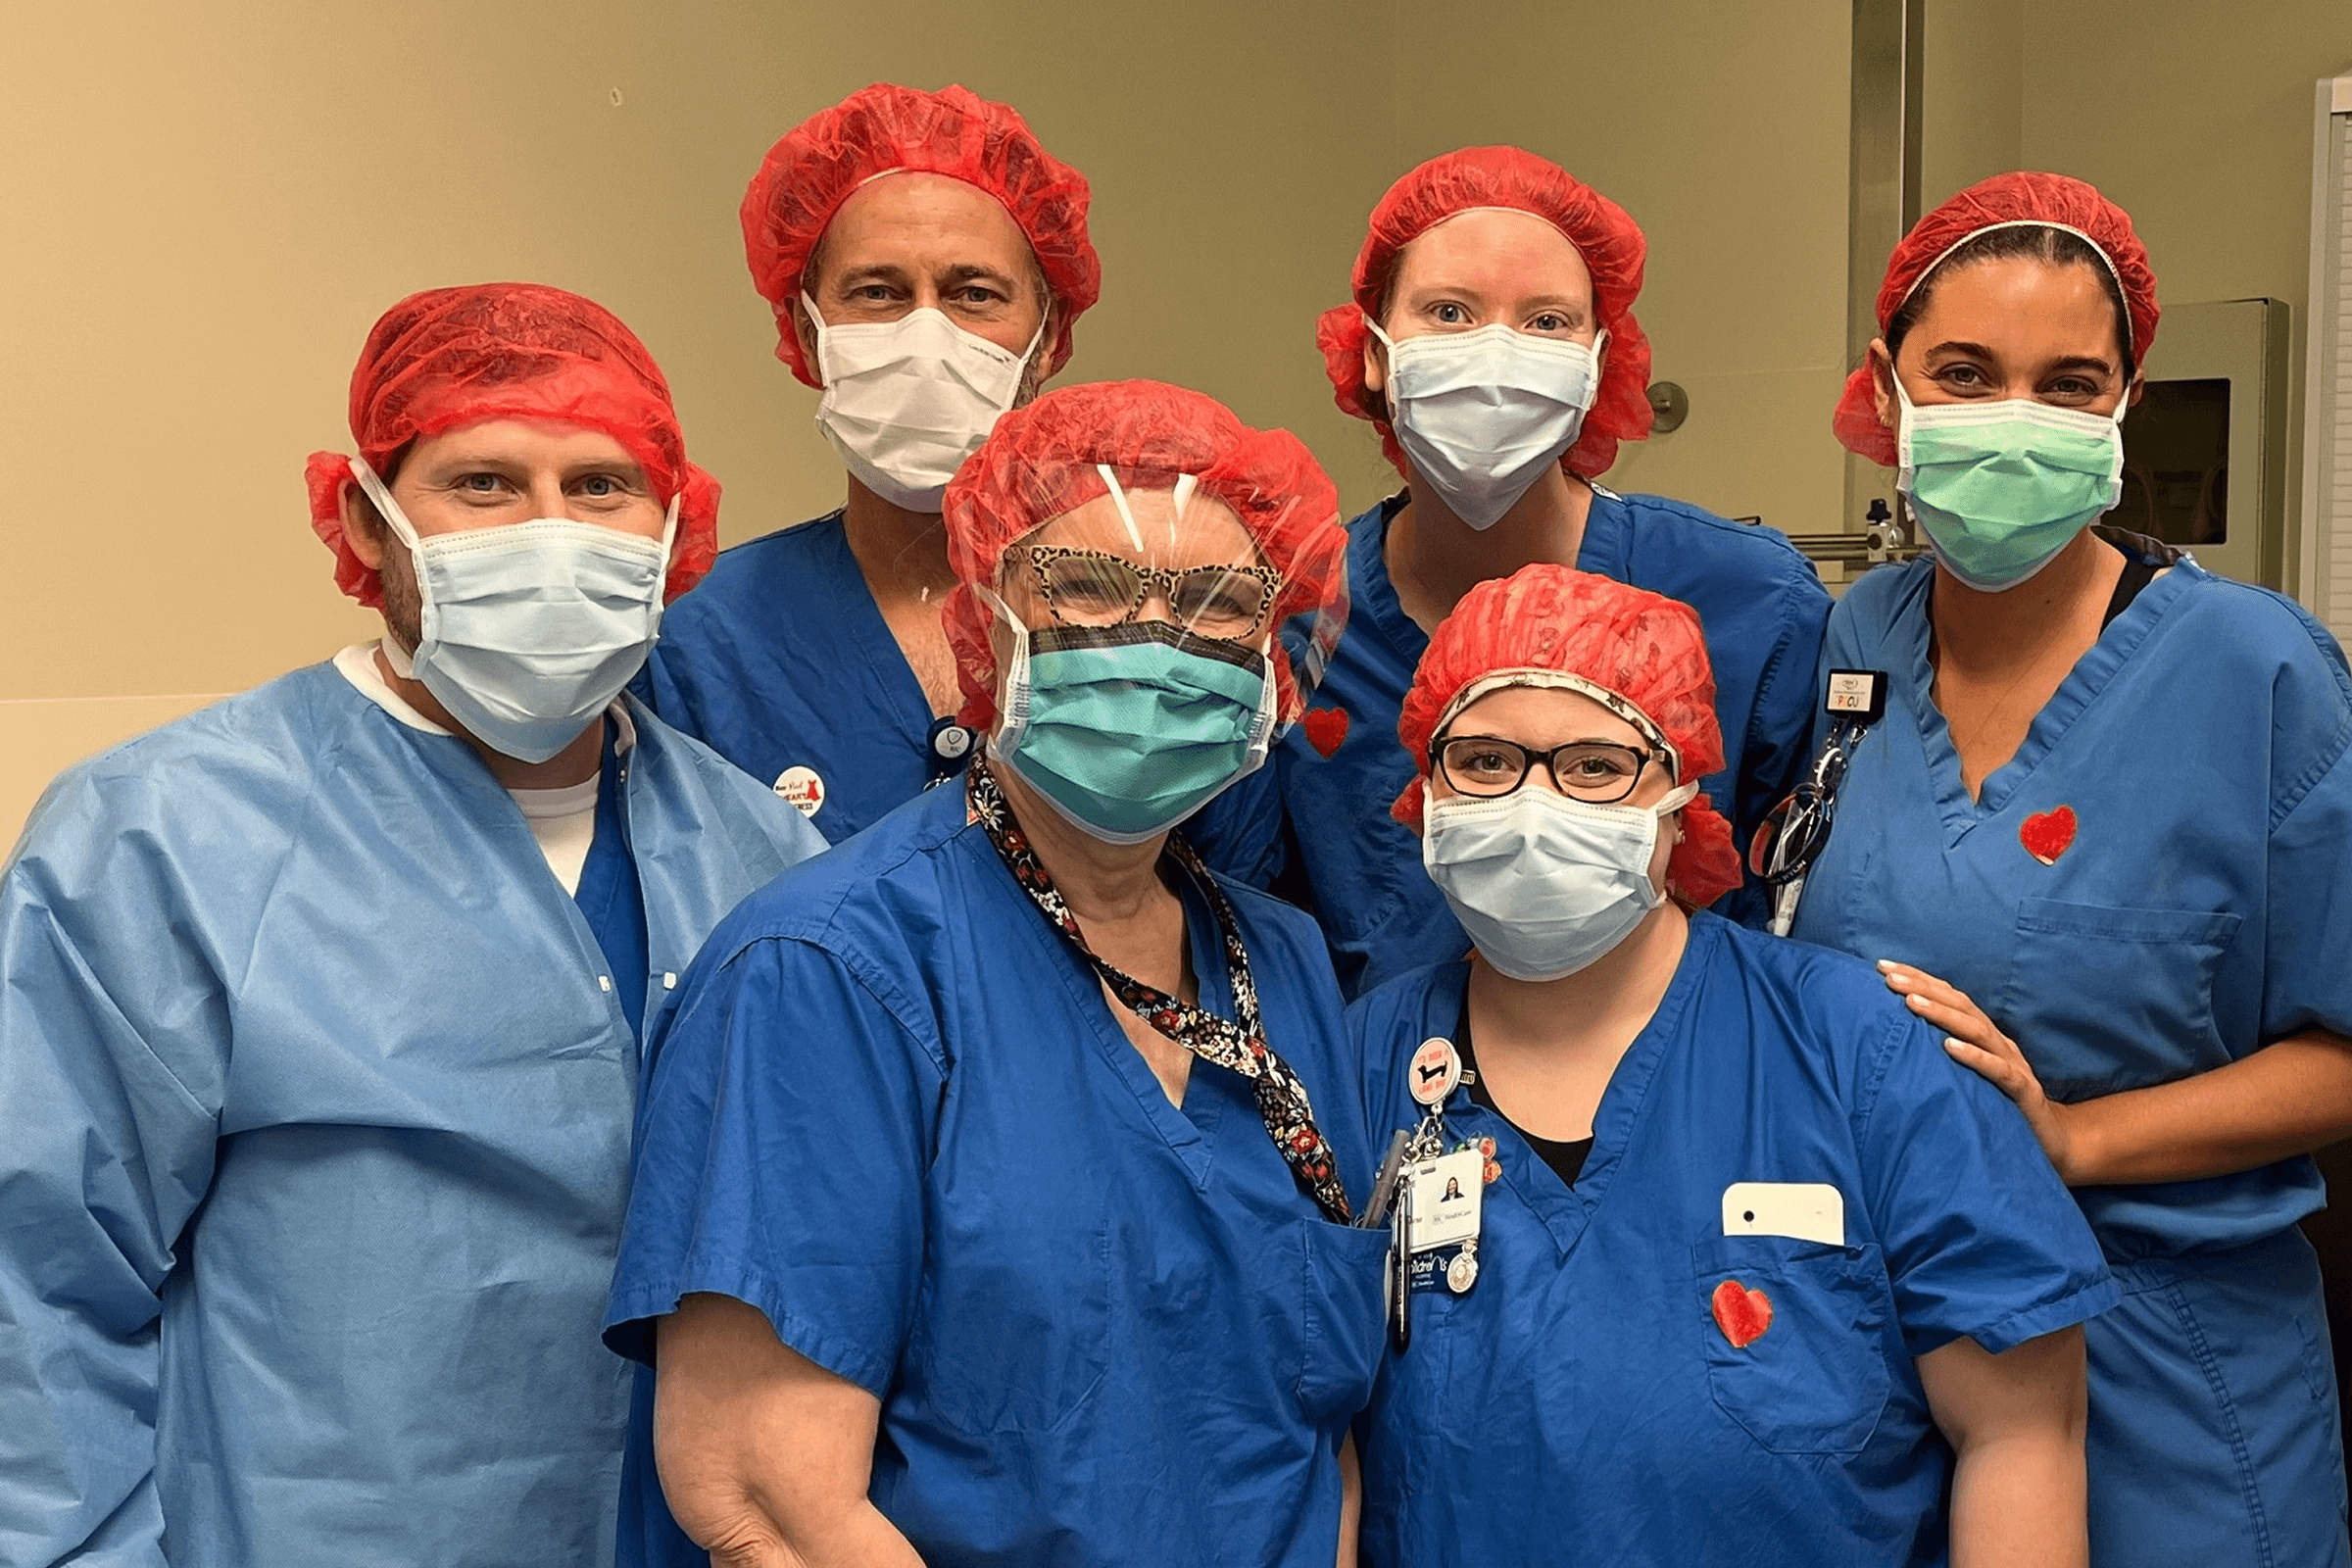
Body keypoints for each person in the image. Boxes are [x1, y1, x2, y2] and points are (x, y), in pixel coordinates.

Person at [0, 283, 826, 1568]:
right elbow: (37, 1291)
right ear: (365, 522)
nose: (554, 535)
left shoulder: (762, 854)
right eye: (485, 484)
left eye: (603, 487)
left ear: (678, 529)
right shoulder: (164, 836)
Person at [605, 380, 1388, 1568]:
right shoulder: (826, 970)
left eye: (1221, 610)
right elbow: (771, 1502)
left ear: (1276, 665)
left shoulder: (1276, 965)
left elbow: (1308, 1425)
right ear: (986, 622)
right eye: (1088, 589)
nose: (1155, 647)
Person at [1789, 172, 2352, 1566]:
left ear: (2123, 406)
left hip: (2163, 1359)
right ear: (1889, 386)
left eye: (2067, 383)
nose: (2013, 420)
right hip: (1889, 1348)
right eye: (1966, 374)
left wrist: (2074, 1140)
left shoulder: (2258, 669)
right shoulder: (1851, 637)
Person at [1351, 563, 2117, 1566]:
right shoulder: (1362, 1064)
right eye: (1486, 760)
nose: (1534, 804)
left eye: (1594, 765)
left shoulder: (1856, 1048)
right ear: (1426, 794)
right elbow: (1309, 1426)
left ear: (1680, 800)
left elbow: (2022, 1432)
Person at [1191, 146, 1829, 996]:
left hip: (1687, 1090)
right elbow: (1240, 923)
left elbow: (1800, 907)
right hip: (1383, 1097)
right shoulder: (1300, 612)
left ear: (1600, 359)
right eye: (1449, 312)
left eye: (1546, 322)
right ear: (1374, 352)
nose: (1495, 355)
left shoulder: (1749, 598)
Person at [631, 82, 1101, 840]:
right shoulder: (701, 643)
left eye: (974, 294)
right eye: (878, 293)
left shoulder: (1141, 618)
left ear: (1047, 340)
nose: (926, 337)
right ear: (808, 331)